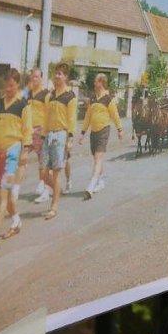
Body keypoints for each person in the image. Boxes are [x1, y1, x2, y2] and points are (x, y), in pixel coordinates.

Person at [0, 68, 32, 257]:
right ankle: (16, 221)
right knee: (9, 197)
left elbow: (27, 130)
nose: (8, 89)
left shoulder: (23, 105)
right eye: (6, 85)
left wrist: (25, 150)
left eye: (12, 85)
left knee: (4, 193)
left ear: (17, 84)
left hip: (13, 153)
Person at [40, 63, 77, 220]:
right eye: (56, 73)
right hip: (48, 135)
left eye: (60, 73)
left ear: (66, 77)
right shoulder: (50, 96)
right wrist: (43, 135)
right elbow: (46, 117)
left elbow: (71, 119)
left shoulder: (70, 96)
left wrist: (70, 139)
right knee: (43, 173)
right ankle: (58, 189)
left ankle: (53, 207)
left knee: (56, 173)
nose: (57, 76)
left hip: (61, 136)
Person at [79, 73, 123, 195]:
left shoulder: (108, 99)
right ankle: (100, 181)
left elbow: (115, 115)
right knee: (96, 158)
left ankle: (91, 185)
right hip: (93, 131)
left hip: (104, 130)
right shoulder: (93, 98)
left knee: (98, 157)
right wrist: (82, 132)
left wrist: (120, 129)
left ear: (101, 83)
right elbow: (88, 117)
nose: (94, 83)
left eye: (95, 81)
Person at [25, 68, 51, 205]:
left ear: (41, 78)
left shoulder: (46, 95)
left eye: (36, 77)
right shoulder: (28, 94)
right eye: (32, 77)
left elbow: (49, 114)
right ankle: (14, 187)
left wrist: (45, 132)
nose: (34, 79)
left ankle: (46, 189)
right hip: (29, 131)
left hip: (41, 130)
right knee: (21, 157)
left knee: (43, 162)